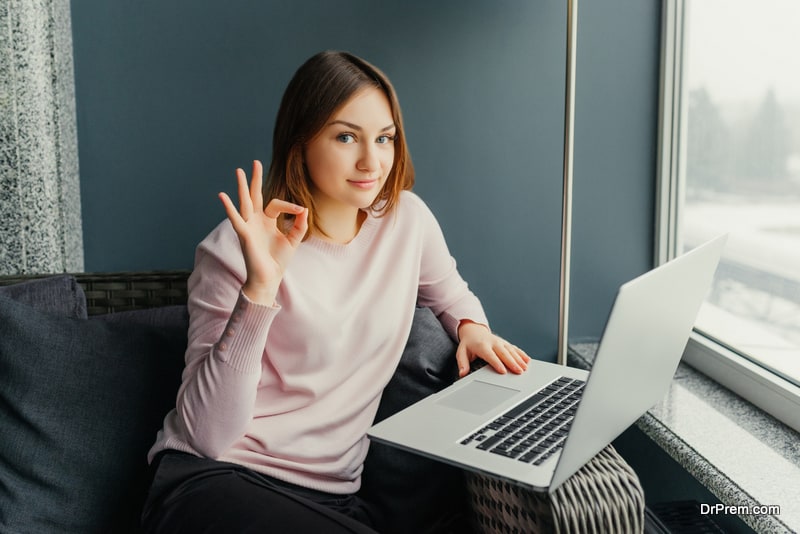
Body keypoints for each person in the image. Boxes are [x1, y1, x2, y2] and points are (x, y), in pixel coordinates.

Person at [141, 50, 530, 533]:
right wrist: (260, 288)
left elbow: (449, 292)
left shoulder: (407, 221)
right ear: (301, 141)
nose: (372, 161)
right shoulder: (232, 250)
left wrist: (472, 326)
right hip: (215, 482)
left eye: (384, 138)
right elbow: (206, 436)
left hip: (334, 499)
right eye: (346, 136)